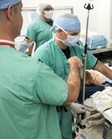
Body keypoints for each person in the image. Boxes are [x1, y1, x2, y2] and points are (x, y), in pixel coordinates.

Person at [33, 13, 112, 139]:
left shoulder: (76, 49)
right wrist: (68, 104)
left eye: (78, 33)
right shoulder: (43, 54)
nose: (77, 37)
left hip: (66, 110)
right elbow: (43, 89)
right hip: (50, 110)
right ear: (59, 32)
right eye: (73, 34)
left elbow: (99, 66)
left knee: (67, 134)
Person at [0, 0, 84, 138]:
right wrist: (74, 66)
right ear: (10, 12)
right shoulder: (32, 69)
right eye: (20, 10)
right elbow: (71, 94)